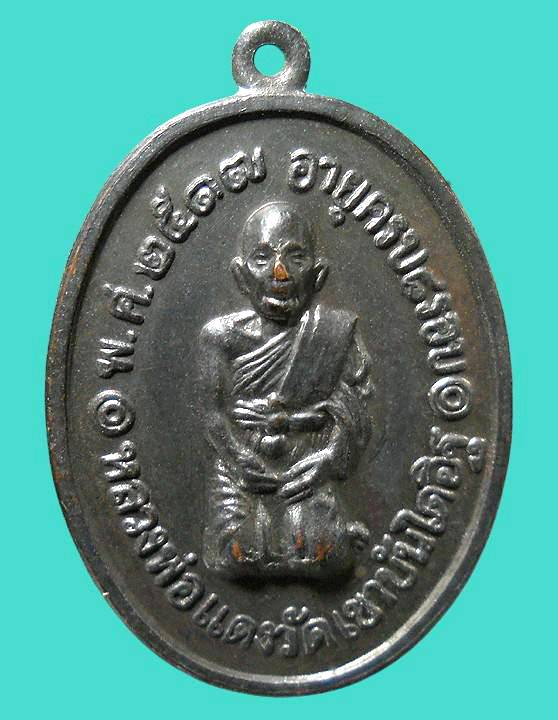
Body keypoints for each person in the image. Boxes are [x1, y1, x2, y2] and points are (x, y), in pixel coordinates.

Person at [199, 201, 374, 579]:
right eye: (262, 258)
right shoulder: (221, 337)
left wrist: (328, 459)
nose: (279, 273)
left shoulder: (334, 335)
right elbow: (211, 415)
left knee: (329, 560)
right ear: (241, 275)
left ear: (318, 275)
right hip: (243, 473)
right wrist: (239, 461)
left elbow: (355, 412)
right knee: (235, 557)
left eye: (295, 257)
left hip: (307, 471)